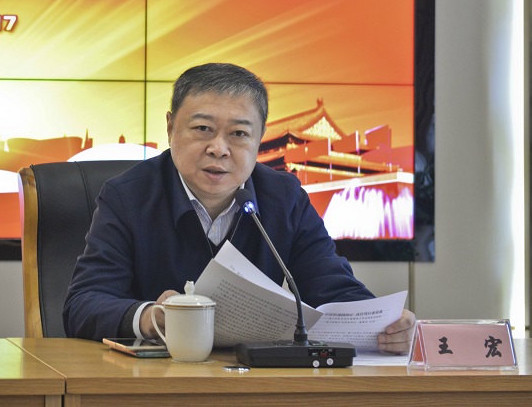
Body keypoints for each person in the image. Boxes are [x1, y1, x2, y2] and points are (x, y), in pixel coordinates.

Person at [63, 63, 415, 353]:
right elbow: (83, 303)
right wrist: (152, 317)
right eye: (203, 128)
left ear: (259, 138)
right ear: (171, 128)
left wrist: (386, 324)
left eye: (238, 134)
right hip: (154, 381)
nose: (219, 148)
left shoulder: (284, 197)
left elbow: (333, 289)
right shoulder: (127, 196)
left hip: (254, 380)